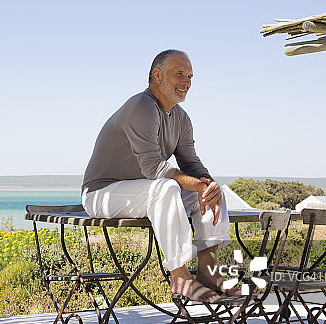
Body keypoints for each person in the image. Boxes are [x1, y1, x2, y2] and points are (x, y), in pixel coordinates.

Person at [81, 49, 234, 303]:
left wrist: (208, 183)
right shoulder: (141, 106)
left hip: (142, 192)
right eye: (179, 74)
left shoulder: (181, 119)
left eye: (190, 77)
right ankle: (180, 276)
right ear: (157, 75)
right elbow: (153, 169)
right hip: (101, 193)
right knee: (167, 188)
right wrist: (197, 184)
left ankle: (209, 272)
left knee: (213, 190)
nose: (186, 82)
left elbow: (192, 163)